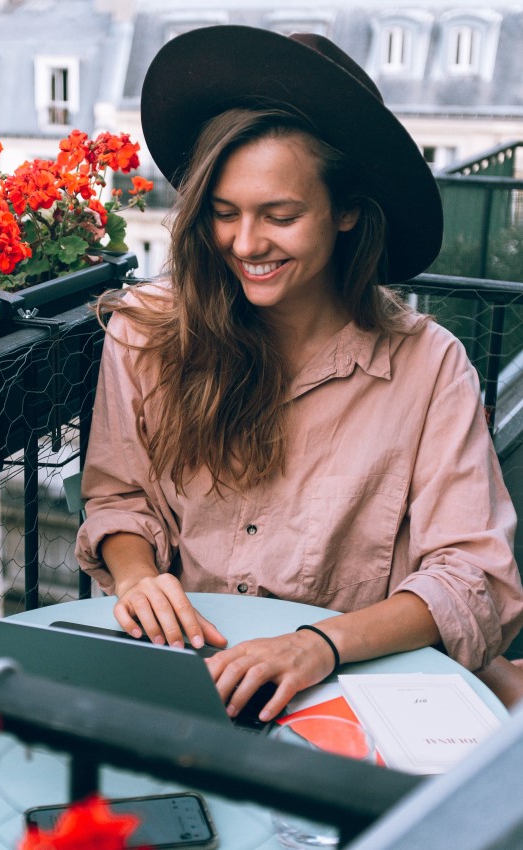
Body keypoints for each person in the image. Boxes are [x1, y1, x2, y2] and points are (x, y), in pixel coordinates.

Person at [74, 25, 523, 723]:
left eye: (279, 216)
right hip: (190, 682)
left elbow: (475, 579)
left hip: (356, 695)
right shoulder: (144, 331)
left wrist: (318, 645)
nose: (245, 244)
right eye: (223, 215)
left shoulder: (429, 366)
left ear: (346, 211)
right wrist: (135, 578)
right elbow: (119, 498)